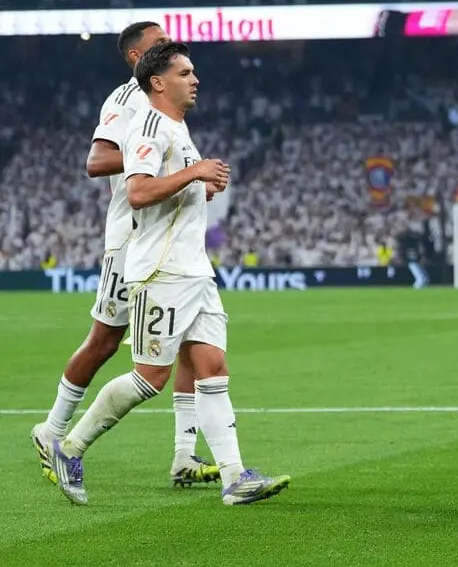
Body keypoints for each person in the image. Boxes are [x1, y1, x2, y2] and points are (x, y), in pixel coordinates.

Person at [49, 41, 291, 507]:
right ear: (158, 82)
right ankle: (70, 446)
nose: (195, 79)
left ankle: (235, 478)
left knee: (213, 369)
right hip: (161, 272)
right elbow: (138, 192)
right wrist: (194, 172)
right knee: (151, 377)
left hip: (194, 270)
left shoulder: (178, 127)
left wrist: (202, 183)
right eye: (185, 73)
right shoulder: (149, 127)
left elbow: (169, 190)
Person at [31, 21, 220, 489]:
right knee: (105, 341)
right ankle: (53, 432)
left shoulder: (169, 106)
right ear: (139, 59)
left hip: (167, 239)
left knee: (192, 345)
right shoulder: (126, 100)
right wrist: (152, 160)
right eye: (160, 45)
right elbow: (95, 162)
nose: (172, 50)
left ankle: (183, 455)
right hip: (131, 240)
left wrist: (188, 175)